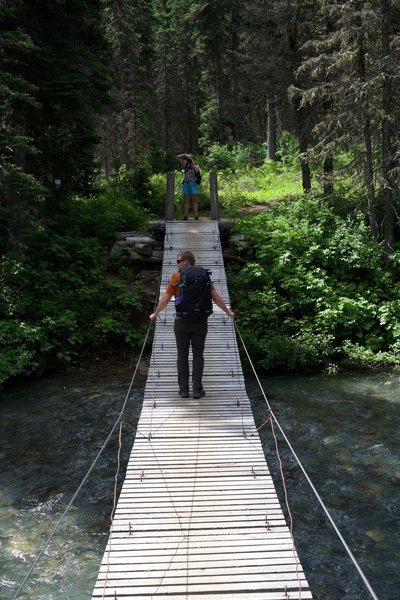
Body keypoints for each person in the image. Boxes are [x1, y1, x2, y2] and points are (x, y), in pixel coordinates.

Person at [150, 250, 235, 399]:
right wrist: (228, 312)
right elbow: (215, 296)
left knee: (182, 356)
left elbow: (165, 299)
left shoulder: (177, 277)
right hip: (200, 322)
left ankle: (183, 390)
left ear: (186, 262)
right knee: (198, 356)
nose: (177, 265)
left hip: (181, 322)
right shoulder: (204, 275)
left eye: (178, 261)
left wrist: (155, 314)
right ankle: (197, 390)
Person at [177, 153, 201, 220]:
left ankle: (196, 215)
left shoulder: (196, 165)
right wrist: (185, 155)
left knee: (194, 201)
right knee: (186, 201)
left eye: (191, 158)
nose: (190, 160)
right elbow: (178, 157)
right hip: (186, 184)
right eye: (189, 159)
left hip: (193, 184)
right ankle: (185, 215)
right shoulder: (185, 164)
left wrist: (192, 162)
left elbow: (196, 170)